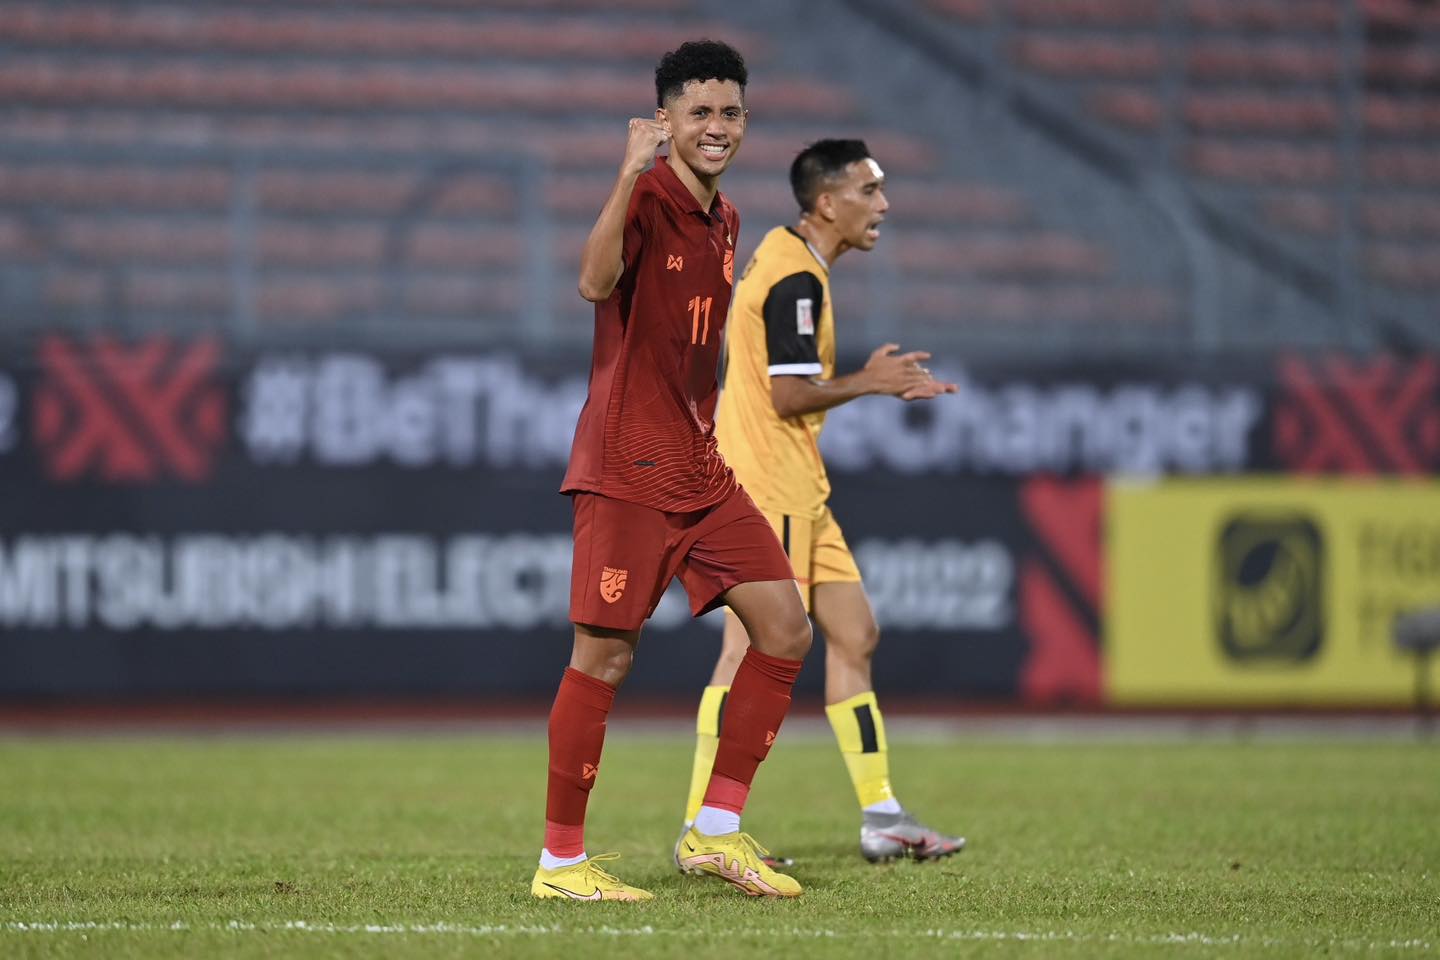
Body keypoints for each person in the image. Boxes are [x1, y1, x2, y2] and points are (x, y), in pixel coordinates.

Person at [531, 40, 811, 902]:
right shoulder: (647, 196)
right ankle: (561, 864)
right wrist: (624, 175)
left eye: (729, 112)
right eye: (699, 112)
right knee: (604, 660)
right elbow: (591, 282)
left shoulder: (725, 219)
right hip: (627, 469)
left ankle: (715, 832)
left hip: (699, 469)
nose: (716, 127)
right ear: (665, 122)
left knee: (786, 631)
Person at [676, 139, 967, 867]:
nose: (884, 205)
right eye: (870, 191)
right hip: (762, 487)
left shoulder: (786, 257)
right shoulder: (797, 279)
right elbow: (788, 393)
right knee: (745, 651)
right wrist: (872, 383)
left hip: (800, 487)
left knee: (855, 633)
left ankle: (883, 817)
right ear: (827, 203)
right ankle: (702, 830)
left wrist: (862, 378)